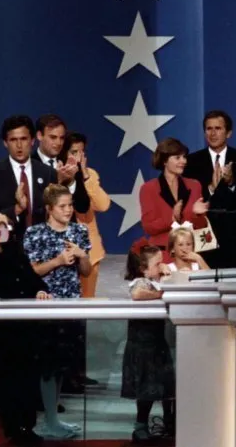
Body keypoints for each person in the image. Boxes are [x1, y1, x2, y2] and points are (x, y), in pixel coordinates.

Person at [23, 184, 92, 439]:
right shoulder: (35, 233)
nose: (68, 210)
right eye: (63, 206)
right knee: (49, 366)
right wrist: (59, 261)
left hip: (72, 304)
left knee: (63, 365)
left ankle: (54, 419)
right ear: (50, 208)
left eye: (70, 205)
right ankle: (49, 421)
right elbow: (32, 271)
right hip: (45, 307)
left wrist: (81, 255)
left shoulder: (79, 231)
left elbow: (85, 271)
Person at [0, 214, 50, 446]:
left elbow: (33, 279)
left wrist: (40, 290)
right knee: (11, 381)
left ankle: (27, 426)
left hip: (26, 329)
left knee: (28, 378)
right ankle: (14, 427)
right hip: (4, 332)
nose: (5, 241)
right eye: (0, 238)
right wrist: (26, 291)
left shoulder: (16, 254)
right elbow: (3, 287)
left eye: (7, 235)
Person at [183, 110, 236, 268]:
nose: (213, 133)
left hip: (235, 236)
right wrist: (210, 189)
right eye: (209, 129)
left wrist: (231, 183)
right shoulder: (192, 161)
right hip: (204, 235)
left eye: (218, 128)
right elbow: (190, 201)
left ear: (228, 133)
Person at [122, 242, 176, 443]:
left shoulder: (158, 282)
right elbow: (137, 294)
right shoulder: (140, 282)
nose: (162, 267)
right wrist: (161, 293)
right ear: (143, 269)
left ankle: (170, 422)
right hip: (142, 345)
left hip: (157, 343)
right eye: (157, 264)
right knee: (146, 388)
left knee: (164, 386)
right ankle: (140, 426)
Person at [0, 115, 56, 239]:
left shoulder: (48, 173)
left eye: (24, 139)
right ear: (5, 143)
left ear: (32, 141)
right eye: (13, 140)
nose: (19, 145)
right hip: (6, 252)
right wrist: (16, 209)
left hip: (42, 252)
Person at [139, 138, 209, 263]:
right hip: (162, 257)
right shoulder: (148, 189)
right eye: (177, 158)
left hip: (189, 256)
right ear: (165, 160)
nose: (183, 161)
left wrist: (197, 215)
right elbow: (148, 227)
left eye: (184, 157)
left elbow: (201, 227)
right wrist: (171, 219)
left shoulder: (194, 185)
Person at [59, 132, 110, 298]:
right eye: (74, 152)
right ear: (63, 152)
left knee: (87, 305)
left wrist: (85, 176)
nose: (78, 157)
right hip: (61, 251)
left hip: (89, 252)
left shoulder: (91, 174)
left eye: (81, 152)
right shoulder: (54, 175)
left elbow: (103, 205)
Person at [33, 114, 90, 217]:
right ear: (39, 136)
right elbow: (31, 208)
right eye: (53, 137)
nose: (58, 143)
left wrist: (71, 182)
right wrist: (58, 183)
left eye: (61, 138)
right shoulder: (28, 165)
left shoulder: (69, 163)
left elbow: (83, 207)